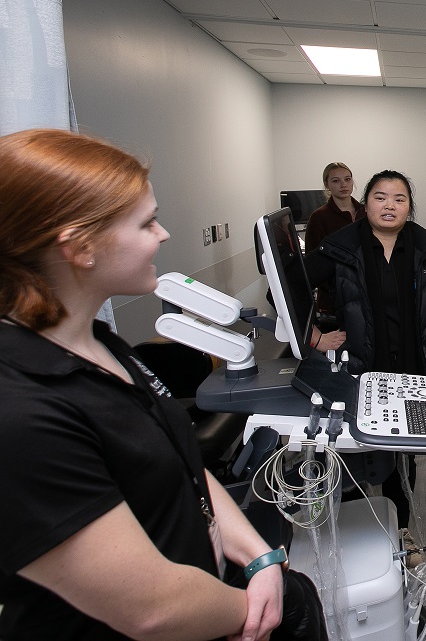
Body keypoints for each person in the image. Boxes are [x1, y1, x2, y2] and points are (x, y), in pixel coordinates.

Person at [0, 129, 284, 641]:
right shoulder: (19, 409)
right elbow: (152, 609)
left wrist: (260, 559)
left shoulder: (103, 344)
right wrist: (256, 609)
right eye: (147, 222)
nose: (164, 234)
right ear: (81, 247)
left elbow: (184, 466)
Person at [306, 169, 426, 534]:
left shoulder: (424, 245)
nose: (389, 206)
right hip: (361, 367)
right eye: (380, 197)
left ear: (409, 207)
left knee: (402, 454)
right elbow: (285, 288)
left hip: (411, 367)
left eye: (399, 199)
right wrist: (316, 338)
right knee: (355, 453)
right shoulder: (343, 246)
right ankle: (356, 535)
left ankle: (400, 532)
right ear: (365, 204)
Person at [305, 162, 362, 352]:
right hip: (332, 301)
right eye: (336, 181)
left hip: (366, 295)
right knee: (338, 353)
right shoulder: (319, 217)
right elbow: (312, 262)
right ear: (327, 185)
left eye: (347, 179)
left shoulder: (366, 212)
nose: (343, 185)